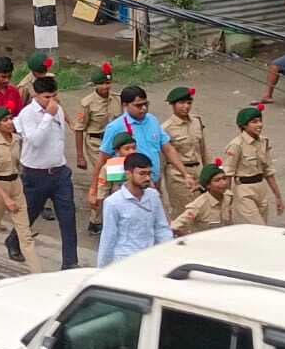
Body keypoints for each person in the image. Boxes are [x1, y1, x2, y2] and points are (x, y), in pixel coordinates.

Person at [9, 76, 79, 269]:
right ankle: (14, 241)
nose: (51, 101)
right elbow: (35, 140)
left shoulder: (57, 108)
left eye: (54, 96)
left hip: (59, 171)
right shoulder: (27, 114)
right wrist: (48, 116)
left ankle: (70, 262)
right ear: (36, 95)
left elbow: (59, 137)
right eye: (47, 97)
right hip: (36, 173)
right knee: (31, 212)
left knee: (68, 217)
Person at [98, 85, 193, 209]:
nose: (143, 109)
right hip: (128, 188)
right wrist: (94, 191)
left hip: (154, 183)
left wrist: (185, 173)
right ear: (125, 105)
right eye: (138, 105)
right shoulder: (115, 127)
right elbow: (103, 158)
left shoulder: (152, 120)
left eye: (146, 104)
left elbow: (167, 148)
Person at [0, 108, 40, 281]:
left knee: (25, 232)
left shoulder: (17, 140)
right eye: (5, 120)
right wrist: (6, 198)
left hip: (15, 184)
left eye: (11, 118)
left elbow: (21, 163)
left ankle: (38, 275)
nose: (10, 122)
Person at [96, 152, 173, 266]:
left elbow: (162, 228)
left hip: (150, 259)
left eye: (149, 173)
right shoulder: (113, 203)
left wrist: (169, 254)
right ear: (128, 174)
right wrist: (102, 269)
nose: (147, 178)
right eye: (142, 174)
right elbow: (108, 238)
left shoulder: (153, 196)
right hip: (124, 262)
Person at [222, 106, 283, 224]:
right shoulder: (236, 145)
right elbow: (228, 174)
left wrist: (278, 197)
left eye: (260, 121)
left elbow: (268, 171)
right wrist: (227, 203)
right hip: (244, 190)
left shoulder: (263, 141)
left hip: (260, 188)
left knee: (262, 228)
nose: (259, 124)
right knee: (259, 227)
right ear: (243, 125)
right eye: (254, 122)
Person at [160, 85, 209, 214]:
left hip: (198, 171)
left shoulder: (197, 122)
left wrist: (208, 172)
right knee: (184, 212)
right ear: (173, 105)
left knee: (203, 210)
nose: (186, 106)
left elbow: (203, 149)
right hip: (177, 175)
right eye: (181, 103)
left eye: (189, 103)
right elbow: (164, 157)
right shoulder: (166, 128)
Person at [88, 132, 140, 224]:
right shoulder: (110, 167)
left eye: (134, 148)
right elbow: (102, 190)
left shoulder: (140, 164)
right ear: (117, 151)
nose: (131, 151)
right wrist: (99, 212)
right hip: (117, 207)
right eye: (127, 149)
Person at [75, 63, 118, 171]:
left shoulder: (118, 99)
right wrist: (80, 156)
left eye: (108, 83)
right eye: (101, 84)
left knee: (116, 174)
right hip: (96, 143)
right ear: (95, 85)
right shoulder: (87, 103)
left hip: (114, 142)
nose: (105, 86)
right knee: (105, 172)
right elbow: (79, 129)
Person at [171, 163, 233, 236]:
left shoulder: (229, 197)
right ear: (208, 185)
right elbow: (174, 227)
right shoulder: (199, 205)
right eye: (217, 180)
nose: (223, 183)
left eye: (224, 178)